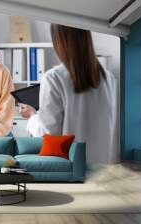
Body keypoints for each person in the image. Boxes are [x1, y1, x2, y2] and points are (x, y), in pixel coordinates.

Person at [19, 24, 117, 164]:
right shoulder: (109, 79)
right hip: (102, 168)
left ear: (59, 41)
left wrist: (32, 116)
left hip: (70, 169)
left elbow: (49, 135)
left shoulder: (53, 78)